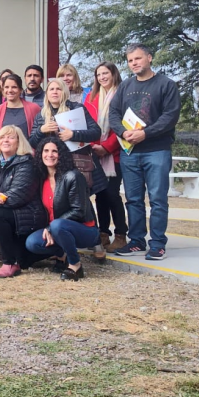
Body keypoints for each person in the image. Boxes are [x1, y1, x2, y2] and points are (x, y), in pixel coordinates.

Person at [109, 43, 181, 260]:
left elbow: (170, 116)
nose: (134, 63)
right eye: (130, 60)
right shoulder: (125, 86)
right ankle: (136, 241)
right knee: (133, 199)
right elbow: (114, 112)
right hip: (130, 152)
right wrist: (122, 132)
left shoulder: (166, 85)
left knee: (158, 199)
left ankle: (157, 244)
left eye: (138, 59)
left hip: (156, 150)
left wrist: (145, 133)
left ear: (149, 58)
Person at [28, 78, 108, 262]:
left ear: (64, 91)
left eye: (58, 88)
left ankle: (96, 241)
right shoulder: (42, 114)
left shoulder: (76, 108)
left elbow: (95, 132)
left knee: (84, 200)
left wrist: (74, 134)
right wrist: (41, 130)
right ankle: (61, 241)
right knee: (59, 201)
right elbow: (32, 142)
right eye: (51, 89)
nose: (54, 92)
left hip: (78, 162)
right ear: (47, 93)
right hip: (55, 164)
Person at [0, 126, 48, 278]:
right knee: (24, 261)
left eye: (11, 137)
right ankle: (16, 258)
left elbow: (15, 198)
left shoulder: (27, 163)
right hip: (9, 214)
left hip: (28, 215)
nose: (5, 140)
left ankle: (9, 262)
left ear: (19, 142)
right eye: (2, 137)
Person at [25, 137, 99, 281]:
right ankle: (61, 254)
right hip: (57, 228)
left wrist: (51, 227)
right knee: (32, 243)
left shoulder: (73, 176)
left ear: (62, 154)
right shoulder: (42, 178)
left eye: (54, 151)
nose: (49, 155)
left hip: (85, 230)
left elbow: (78, 211)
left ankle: (75, 265)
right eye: (46, 151)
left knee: (57, 225)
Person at [84, 61, 128, 253]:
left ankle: (120, 234)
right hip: (94, 153)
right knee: (100, 195)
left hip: (115, 154)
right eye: (99, 74)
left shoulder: (122, 95)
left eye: (105, 73)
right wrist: (94, 145)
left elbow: (126, 125)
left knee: (111, 194)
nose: (102, 77)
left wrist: (107, 147)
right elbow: (85, 123)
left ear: (113, 74)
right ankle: (103, 233)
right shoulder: (91, 97)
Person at [0, 73, 40, 140]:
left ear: (20, 90)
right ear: (3, 90)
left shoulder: (34, 108)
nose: (10, 90)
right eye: (6, 87)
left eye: (14, 87)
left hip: (27, 150)